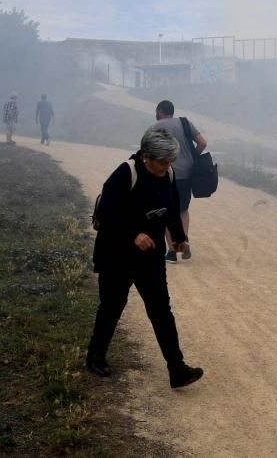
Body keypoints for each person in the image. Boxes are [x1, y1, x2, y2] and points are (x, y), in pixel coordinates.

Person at [86, 128, 204, 388]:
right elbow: (106, 213)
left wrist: (179, 236)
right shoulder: (126, 173)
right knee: (112, 306)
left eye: (170, 162)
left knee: (161, 310)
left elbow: (172, 208)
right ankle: (95, 357)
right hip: (116, 254)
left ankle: (177, 369)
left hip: (150, 257)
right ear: (145, 156)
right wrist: (132, 234)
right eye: (162, 162)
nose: (167, 167)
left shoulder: (168, 174)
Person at [151, 100, 207, 263]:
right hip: (186, 174)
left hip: (165, 174)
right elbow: (202, 143)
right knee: (182, 209)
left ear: (160, 111)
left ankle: (172, 252)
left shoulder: (156, 127)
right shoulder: (185, 123)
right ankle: (184, 241)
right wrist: (192, 159)